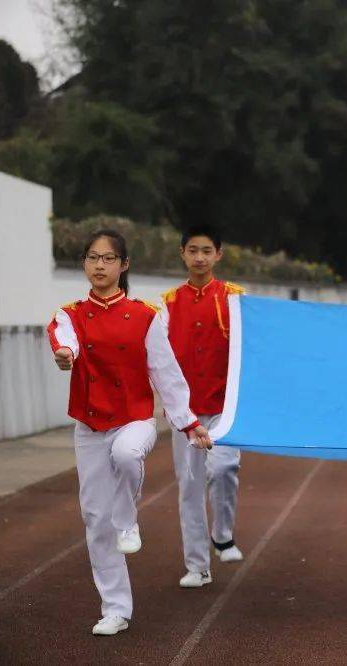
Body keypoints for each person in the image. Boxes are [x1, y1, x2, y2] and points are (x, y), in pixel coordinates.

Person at [47, 229, 211, 636]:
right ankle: (116, 608)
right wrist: (66, 354)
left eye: (107, 259)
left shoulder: (145, 316)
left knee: (125, 455)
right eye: (91, 258)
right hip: (89, 424)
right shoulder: (70, 314)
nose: (98, 266)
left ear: (124, 265)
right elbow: (63, 339)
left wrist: (188, 422)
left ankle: (128, 517)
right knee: (93, 518)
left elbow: (166, 373)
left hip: (134, 418)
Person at [162, 225, 246, 590]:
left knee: (225, 467)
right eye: (193, 250)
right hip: (185, 413)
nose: (199, 257)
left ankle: (222, 535)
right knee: (190, 487)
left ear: (218, 254)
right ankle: (197, 565)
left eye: (206, 251)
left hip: (224, 407)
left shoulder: (235, 298)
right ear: (182, 253)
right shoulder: (166, 303)